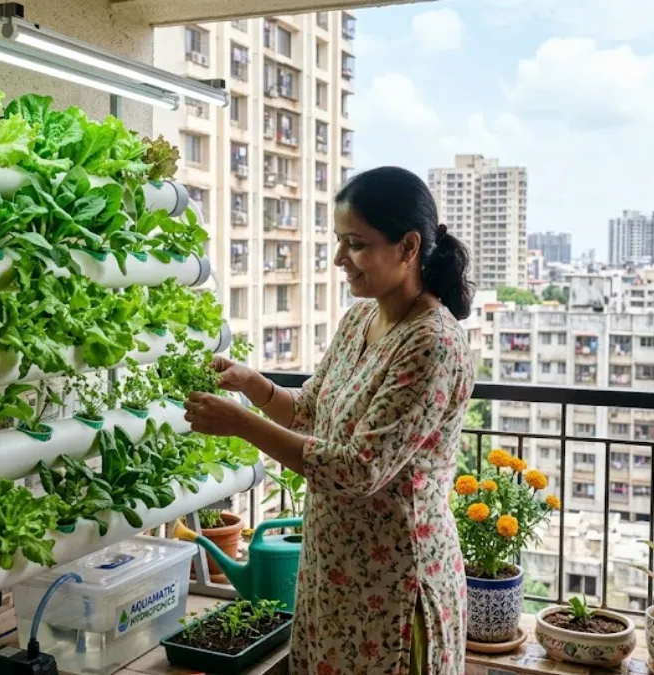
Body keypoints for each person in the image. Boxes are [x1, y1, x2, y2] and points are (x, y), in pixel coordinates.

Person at [183, 166, 476, 675]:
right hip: (335, 570)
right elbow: (312, 408)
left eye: (356, 244)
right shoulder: (362, 318)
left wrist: (241, 424)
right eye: (340, 242)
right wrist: (255, 386)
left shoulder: (432, 344)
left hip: (395, 583)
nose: (340, 258)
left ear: (408, 248)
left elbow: (359, 470)